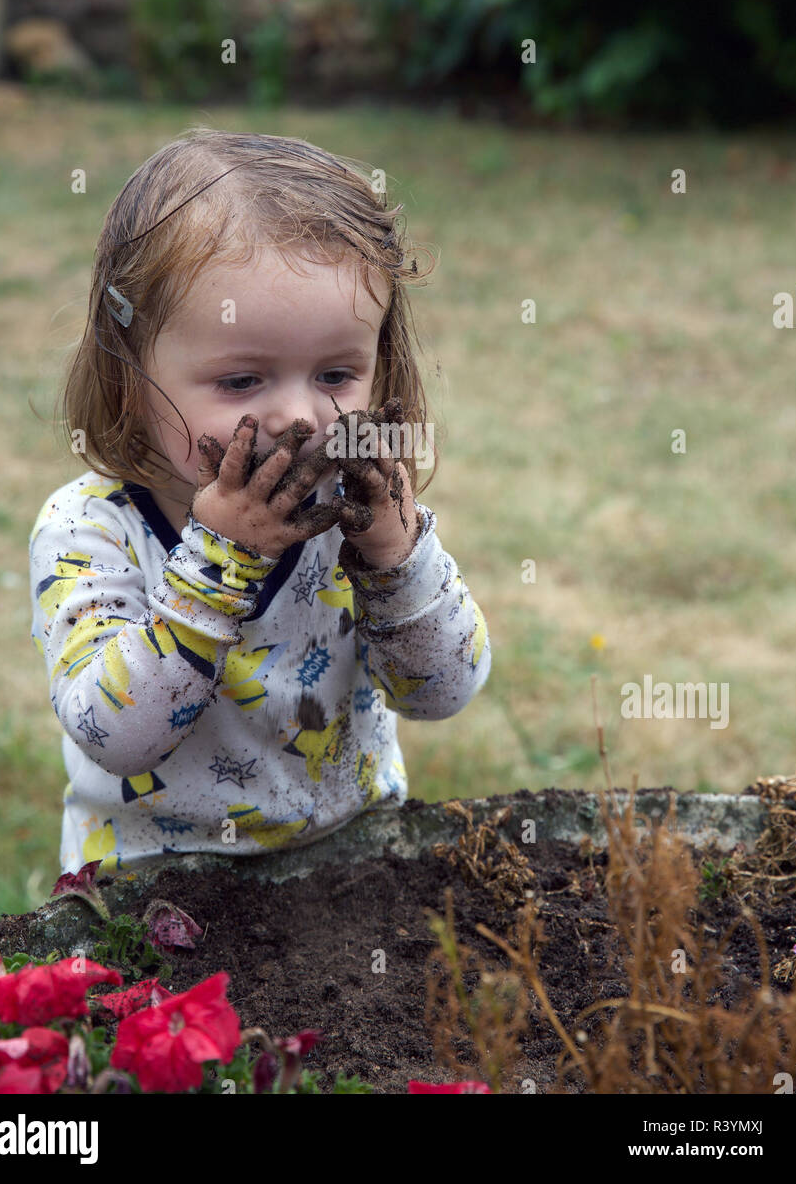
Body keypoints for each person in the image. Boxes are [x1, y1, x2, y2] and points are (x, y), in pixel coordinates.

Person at [29, 129, 491, 874]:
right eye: (243, 381)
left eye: (337, 374)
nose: (300, 417)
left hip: (349, 864)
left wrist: (398, 558)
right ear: (130, 379)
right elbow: (117, 735)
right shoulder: (91, 529)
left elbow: (441, 692)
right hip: (153, 885)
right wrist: (220, 560)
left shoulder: (354, 511)